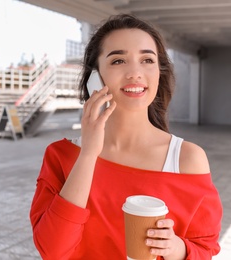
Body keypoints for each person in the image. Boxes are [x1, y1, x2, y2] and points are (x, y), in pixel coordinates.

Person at [29, 14, 222, 259]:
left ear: (159, 72)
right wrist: (88, 155)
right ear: (94, 76)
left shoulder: (187, 159)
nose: (135, 73)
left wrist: (178, 249)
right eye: (118, 60)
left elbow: (204, 248)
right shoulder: (61, 156)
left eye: (147, 60)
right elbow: (53, 251)